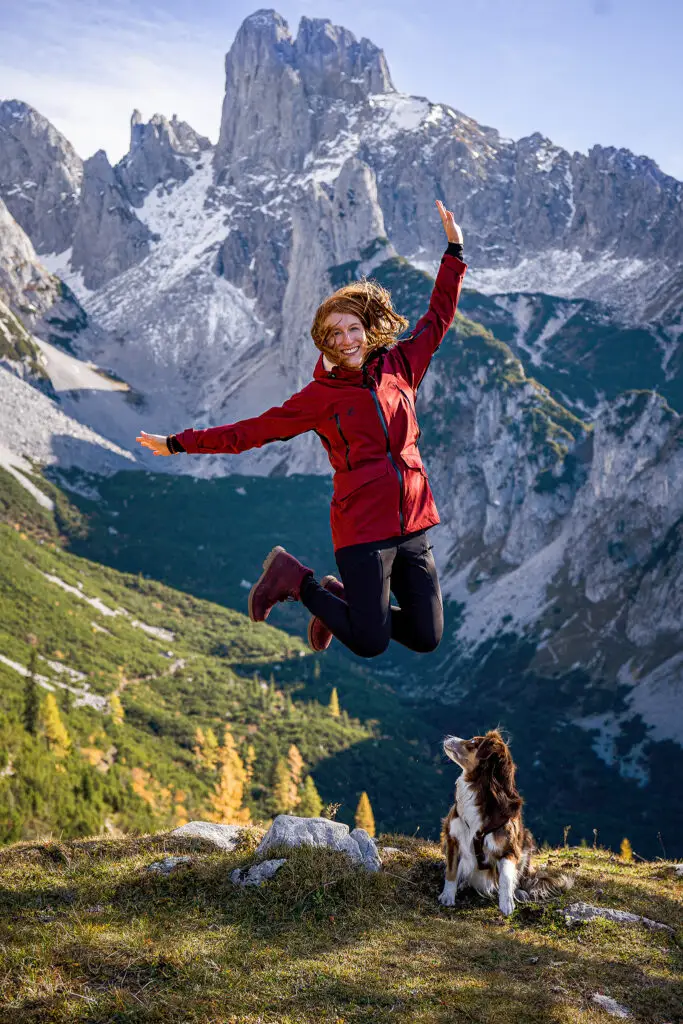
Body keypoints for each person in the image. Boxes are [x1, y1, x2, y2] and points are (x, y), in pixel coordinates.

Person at [137, 199, 467, 658]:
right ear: (324, 342)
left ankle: (340, 596)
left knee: (426, 637)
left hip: (413, 522)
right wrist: (178, 443)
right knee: (370, 643)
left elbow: (439, 318)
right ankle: (297, 581)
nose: (347, 340)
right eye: (335, 334)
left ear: (369, 330)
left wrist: (454, 252)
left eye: (354, 329)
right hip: (362, 530)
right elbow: (253, 431)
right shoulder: (320, 397)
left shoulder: (401, 365)